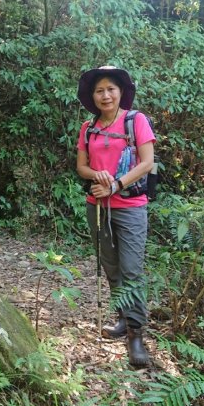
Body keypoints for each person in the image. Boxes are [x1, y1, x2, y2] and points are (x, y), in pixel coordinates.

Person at [76, 66, 156, 366]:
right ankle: (122, 317)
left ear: (121, 92)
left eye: (111, 89)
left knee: (132, 269)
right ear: (93, 96)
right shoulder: (88, 128)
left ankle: (136, 335)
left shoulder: (136, 121)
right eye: (100, 90)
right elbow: (81, 166)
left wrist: (116, 185)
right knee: (110, 265)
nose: (105, 95)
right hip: (96, 206)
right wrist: (95, 174)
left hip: (131, 207)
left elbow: (147, 162)